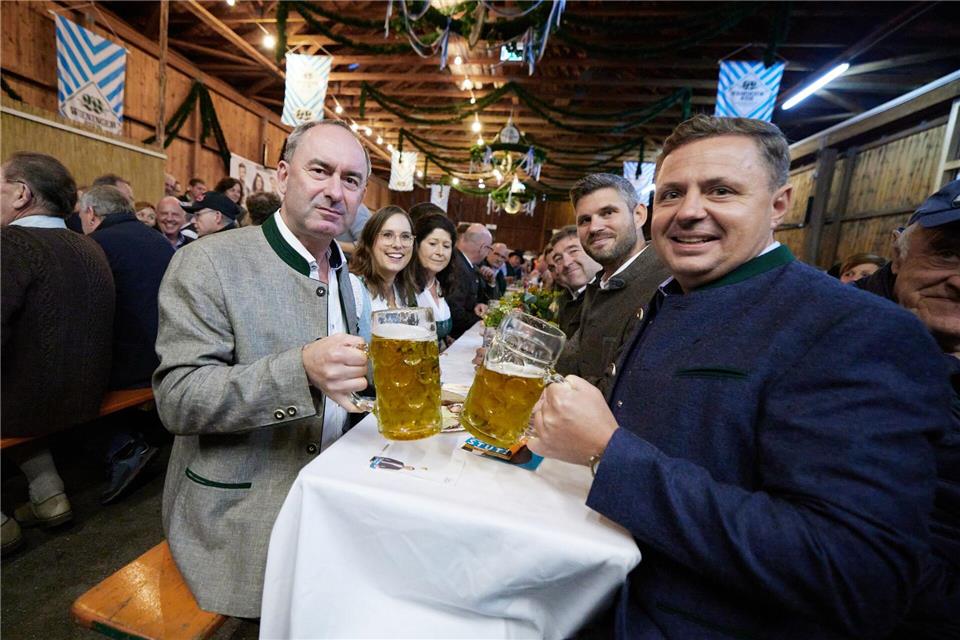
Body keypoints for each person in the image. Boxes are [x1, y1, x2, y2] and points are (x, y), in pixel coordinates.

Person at [528, 115, 949, 639]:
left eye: (721, 191)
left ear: (779, 205)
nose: (689, 212)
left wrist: (607, 452)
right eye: (672, 194)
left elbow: (854, 571)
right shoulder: (667, 301)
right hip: (588, 586)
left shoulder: (855, 328)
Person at [154, 120, 374, 617]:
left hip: (335, 498)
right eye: (320, 171)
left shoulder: (347, 274)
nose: (335, 191)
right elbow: (179, 399)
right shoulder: (207, 262)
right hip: (240, 515)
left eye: (351, 180)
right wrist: (300, 370)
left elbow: (350, 380)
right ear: (281, 177)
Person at [855, 180, 960, 638]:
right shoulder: (837, 351)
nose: (959, 280)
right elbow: (864, 541)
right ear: (897, 252)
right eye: (946, 254)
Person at [0, 153, 114, 552]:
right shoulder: (88, 246)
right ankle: (48, 494)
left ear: (21, 193)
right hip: (83, 397)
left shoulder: (10, 244)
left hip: (25, 406)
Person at [79, 185, 174, 503]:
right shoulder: (157, 239)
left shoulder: (96, 245)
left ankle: (123, 447)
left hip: (134, 364)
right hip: (167, 351)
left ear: (91, 214)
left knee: (66, 379)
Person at [554, 173, 670, 392]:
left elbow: (626, 389)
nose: (595, 227)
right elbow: (573, 357)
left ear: (638, 215)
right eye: (585, 220)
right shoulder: (600, 284)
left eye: (607, 213)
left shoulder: (666, 282)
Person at [349, 205, 418, 311]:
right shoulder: (353, 289)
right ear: (370, 240)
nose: (397, 244)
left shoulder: (406, 292)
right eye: (387, 235)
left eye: (405, 236)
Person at [413, 213, 459, 345]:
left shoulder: (440, 284)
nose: (440, 252)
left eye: (446, 246)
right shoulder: (405, 286)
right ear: (417, 245)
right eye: (433, 243)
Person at [548, 225, 602, 338]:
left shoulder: (607, 296)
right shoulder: (566, 298)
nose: (566, 263)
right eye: (558, 259)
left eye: (573, 251)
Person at [447, 222, 494, 338]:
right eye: (489, 248)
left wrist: (477, 306)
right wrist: (483, 318)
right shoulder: (458, 266)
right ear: (483, 248)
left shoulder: (466, 264)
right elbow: (454, 313)